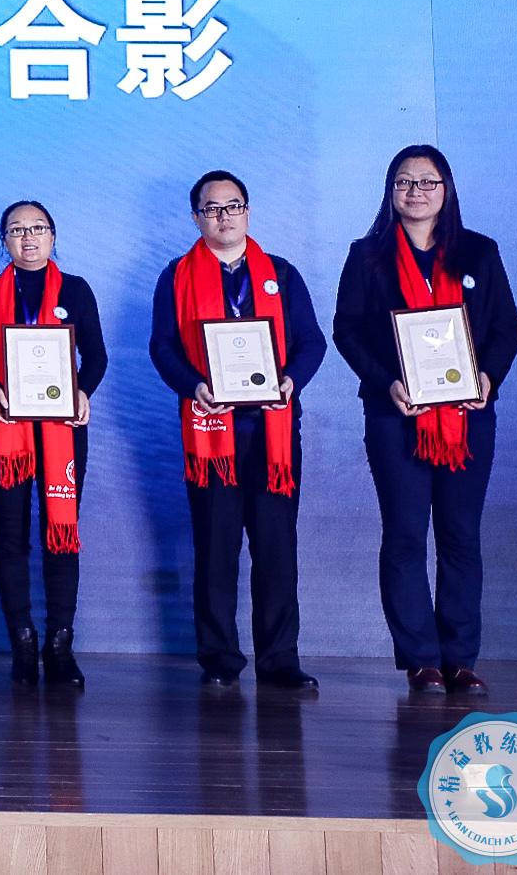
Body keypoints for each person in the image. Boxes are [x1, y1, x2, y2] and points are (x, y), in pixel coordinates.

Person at [331, 146, 517, 694]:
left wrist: (488, 378)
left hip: (468, 416)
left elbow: (508, 326)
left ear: (447, 189)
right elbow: (347, 329)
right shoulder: (367, 255)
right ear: (390, 190)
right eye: (404, 182)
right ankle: (421, 659)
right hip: (395, 413)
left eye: (427, 182)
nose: (415, 192)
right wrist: (386, 382)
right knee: (406, 534)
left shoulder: (479, 252)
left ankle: (460, 658)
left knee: (461, 535)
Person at [148, 169, 326, 690]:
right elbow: (162, 346)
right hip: (210, 431)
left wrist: (290, 381)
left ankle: (280, 659)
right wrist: (194, 386)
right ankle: (220, 659)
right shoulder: (175, 276)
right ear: (196, 217)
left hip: (272, 432)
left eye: (233, 206)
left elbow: (312, 341)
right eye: (212, 208)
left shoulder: (282, 274)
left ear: (248, 212)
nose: (223, 216)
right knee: (215, 548)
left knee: (276, 549)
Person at [0, 201, 108, 688]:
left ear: (53, 236)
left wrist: (83, 391)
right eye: (16, 230)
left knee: (62, 532)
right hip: (6, 428)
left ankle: (60, 644)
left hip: (64, 428)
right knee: (10, 535)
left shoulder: (76, 290)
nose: (28, 237)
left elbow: (96, 356)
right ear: (4, 241)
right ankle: (22, 643)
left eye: (37, 228)